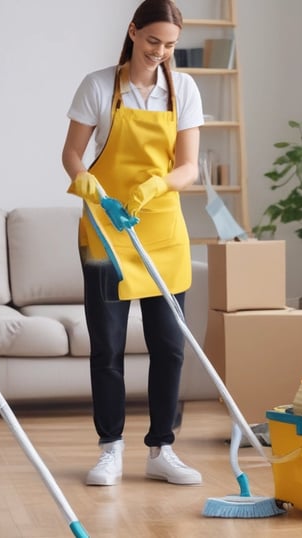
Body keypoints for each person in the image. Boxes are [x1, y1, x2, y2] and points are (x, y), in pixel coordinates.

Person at [61, 0, 204, 487]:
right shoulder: (99, 86)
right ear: (132, 32)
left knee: (169, 347)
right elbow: (72, 153)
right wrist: (84, 180)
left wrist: (158, 185)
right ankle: (111, 449)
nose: (159, 52)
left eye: (169, 45)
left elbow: (189, 167)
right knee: (107, 347)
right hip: (106, 231)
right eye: (152, 41)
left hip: (161, 230)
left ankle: (162, 448)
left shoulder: (183, 89)